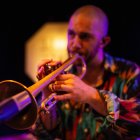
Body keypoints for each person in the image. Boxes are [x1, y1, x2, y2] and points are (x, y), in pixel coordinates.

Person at [33, 5, 140, 140]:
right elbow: (44, 134)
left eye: (84, 37)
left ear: (103, 41)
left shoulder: (129, 72)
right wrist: (46, 93)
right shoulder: (63, 76)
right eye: (71, 34)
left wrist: (92, 96)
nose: (75, 44)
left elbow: (137, 123)